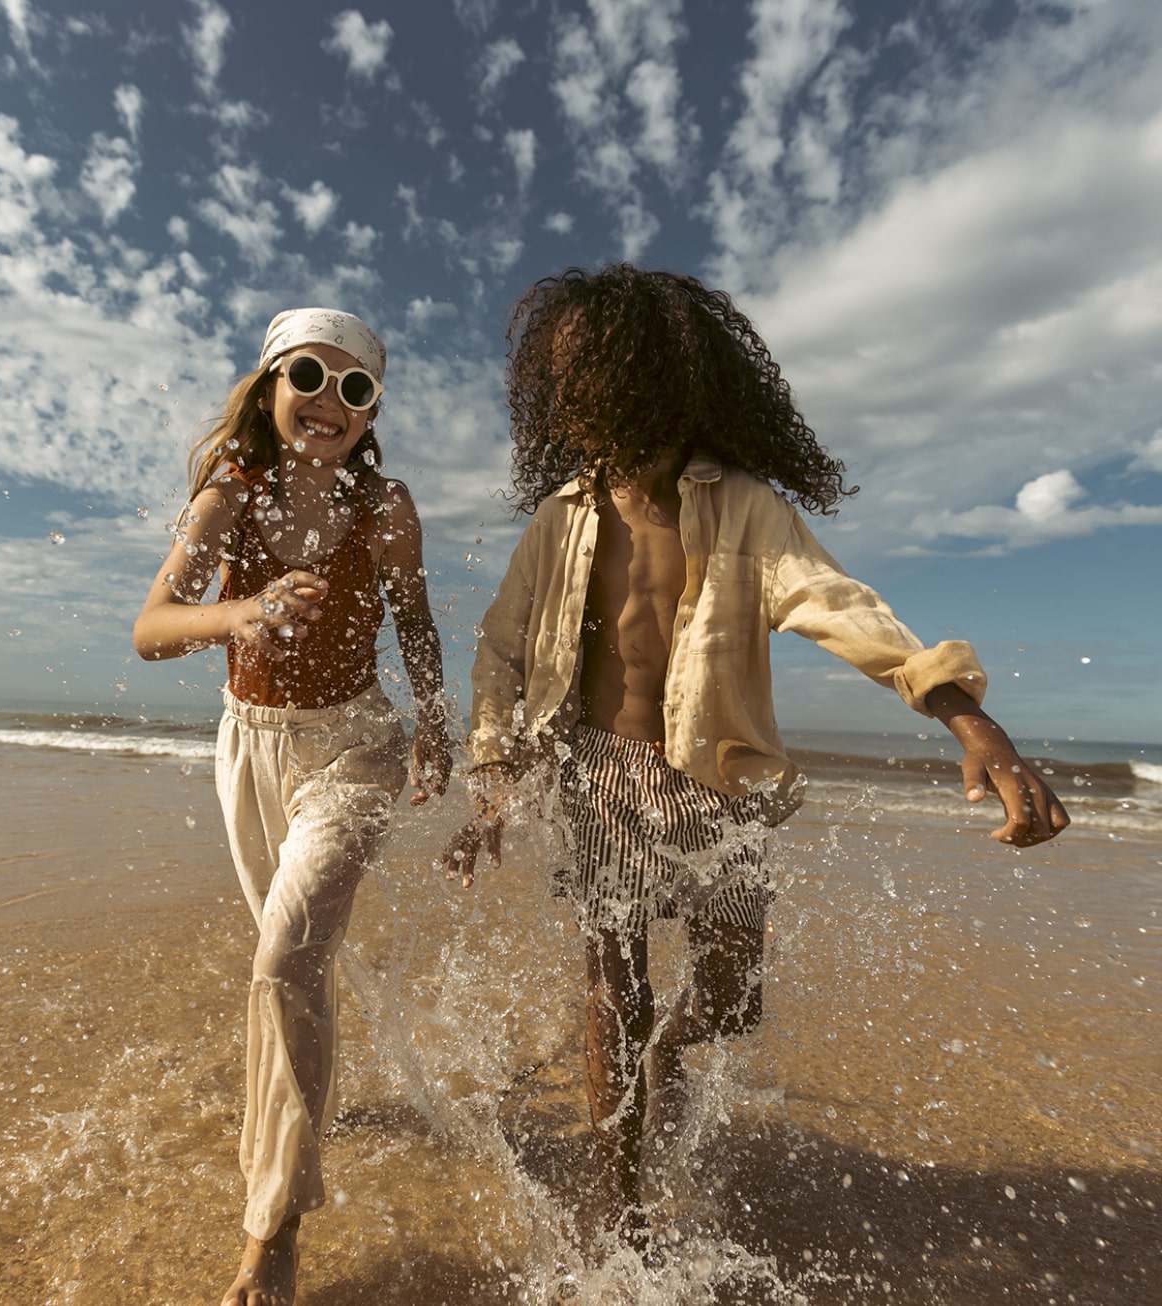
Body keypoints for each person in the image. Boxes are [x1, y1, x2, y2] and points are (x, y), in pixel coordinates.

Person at [441, 264, 1069, 1259]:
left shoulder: (741, 506)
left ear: (648, 372)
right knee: (612, 980)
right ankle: (621, 1214)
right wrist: (492, 780)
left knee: (729, 995)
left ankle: (666, 1053)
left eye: (582, 373)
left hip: (716, 782)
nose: (564, 398)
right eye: (552, 381)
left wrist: (965, 717)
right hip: (599, 772)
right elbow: (500, 651)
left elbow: (836, 600)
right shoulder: (558, 519)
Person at [135, 308, 452, 1306]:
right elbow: (152, 629)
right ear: (270, 387)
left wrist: (437, 722)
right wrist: (243, 611)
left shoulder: (387, 505)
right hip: (252, 750)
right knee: (295, 967)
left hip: (355, 746)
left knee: (282, 961)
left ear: (370, 416)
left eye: (356, 391)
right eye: (311, 376)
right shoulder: (232, 492)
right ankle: (308, 1110)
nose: (330, 401)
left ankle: (271, 1228)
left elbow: (415, 619)